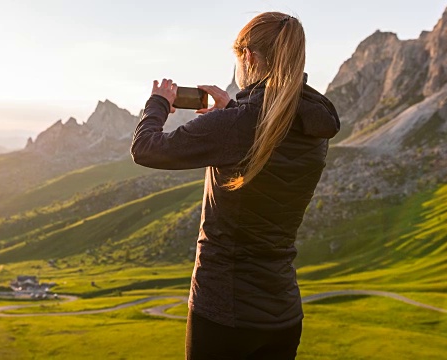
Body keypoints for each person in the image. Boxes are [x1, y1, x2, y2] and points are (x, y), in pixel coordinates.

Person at [131, 11, 340, 360]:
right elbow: (265, 138)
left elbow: (146, 149)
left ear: (249, 56)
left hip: (224, 313)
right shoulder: (313, 122)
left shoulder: (239, 124)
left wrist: (159, 104)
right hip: (283, 314)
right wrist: (232, 110)